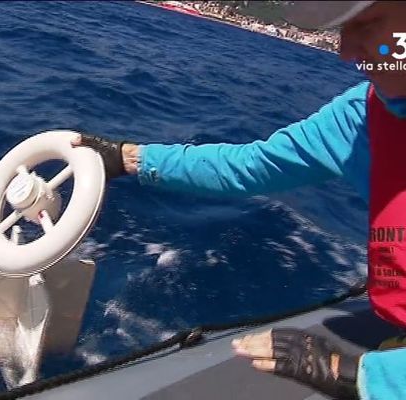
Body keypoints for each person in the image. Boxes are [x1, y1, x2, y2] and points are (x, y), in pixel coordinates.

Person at [72, 1, 406, 399]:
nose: (346, 51)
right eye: (343, 28)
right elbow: (250, 164)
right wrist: (130, 159)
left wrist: (360, 376)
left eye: (366, 23)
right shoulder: (360, 117)